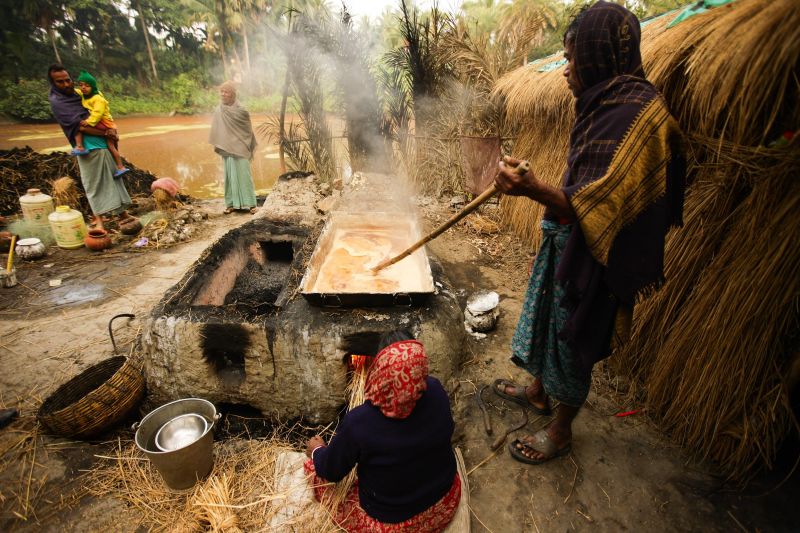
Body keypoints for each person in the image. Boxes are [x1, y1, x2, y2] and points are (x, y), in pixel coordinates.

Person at [493, 1, 686, 464]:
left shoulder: (640, 115)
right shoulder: (601, 103)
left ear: (599, 53)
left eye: (572, 57)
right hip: (570, 240)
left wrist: (534, 189)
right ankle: (539, 392)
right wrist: (542, 185)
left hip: (603, 253)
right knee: (546, 319)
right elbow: (588, 188)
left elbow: (603, 205)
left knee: (576, 334)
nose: (565, 70)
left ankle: (561, 430)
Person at [304, 331, 461, 532]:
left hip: (394, 524)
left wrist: (317, 450)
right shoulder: (436, 389)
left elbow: (331, 471)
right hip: (444, 502)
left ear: (380, 370)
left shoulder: (360, 422)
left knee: (314, 471)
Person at [47, 64, 135, 228]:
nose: (66, 84)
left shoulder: (79, 94)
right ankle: (99, 221)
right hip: (87, 147)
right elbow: (78, 125)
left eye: (68, 80)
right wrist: (107, 133)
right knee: (92, 184)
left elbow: (97, 112)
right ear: (53, 83)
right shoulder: (59, 101)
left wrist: (109, 133)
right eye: (60, 82)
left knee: (113, 178)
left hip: (103, 144)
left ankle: (122, 213)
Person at [208, 81, 258, 215]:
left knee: (244, 175)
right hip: (227, 147)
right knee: (230, 176)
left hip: (241, 146)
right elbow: (218, 129)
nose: (223, 94)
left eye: (226, 92)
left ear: (233, 94)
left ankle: (251, 204)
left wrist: (238, 141)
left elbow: (247, 131)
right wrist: (223, 142)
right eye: (222, 91)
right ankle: (231, 204)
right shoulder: (219, 110)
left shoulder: (242, 111)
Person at [75, 70, 129, 177]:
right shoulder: (87, 95)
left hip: (105, 123)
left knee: (79, 127)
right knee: (111, 146)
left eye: (87, 85)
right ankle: (120, 167)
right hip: (104, 122)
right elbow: (79, 92)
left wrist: (88, 122)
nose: (83, 88)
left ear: (93, 87)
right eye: (81, 85)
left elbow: (97, 113)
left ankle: (80, 147)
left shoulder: (98, 99)